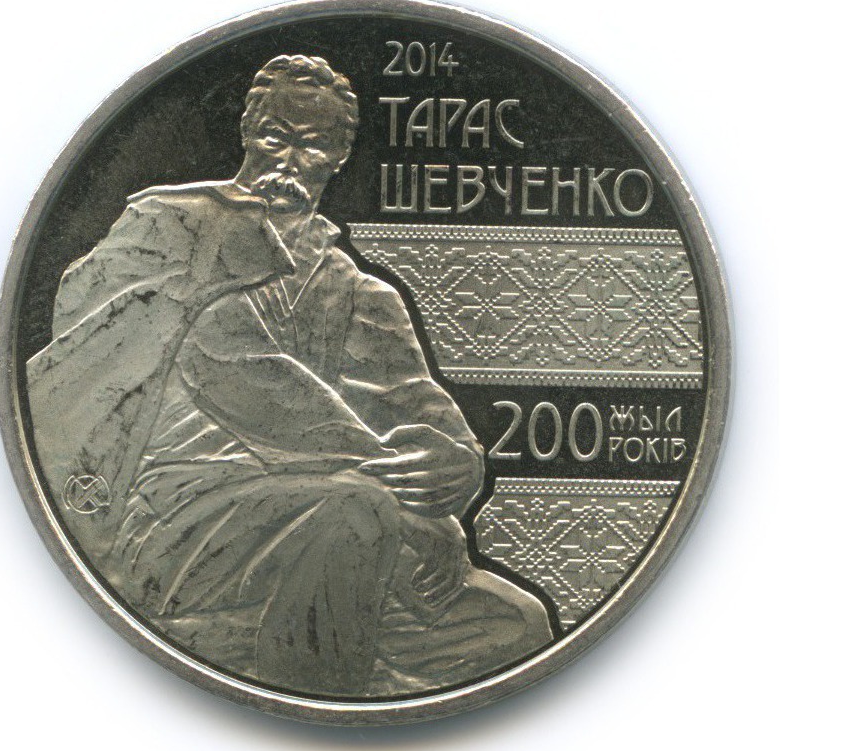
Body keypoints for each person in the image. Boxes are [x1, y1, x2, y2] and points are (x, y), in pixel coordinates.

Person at [28, 55, 554, 696]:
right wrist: (401, 498)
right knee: (353, 511)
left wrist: (452, 471)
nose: (288, 161)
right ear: (249, 132)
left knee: (514, 622)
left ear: (339, 156)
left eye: (313, 145)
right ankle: (313, 715)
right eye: (275, 137)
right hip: (179, 518)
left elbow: (423, 407)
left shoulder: (357, 292)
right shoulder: (178, 228)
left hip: (337, 507)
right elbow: (236, 371)